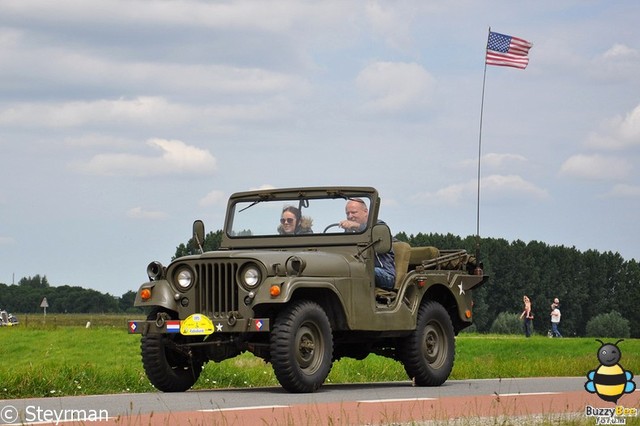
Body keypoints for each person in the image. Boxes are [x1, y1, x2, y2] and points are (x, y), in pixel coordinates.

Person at [339, 198, 395, 289]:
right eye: (347, 213)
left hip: (385, 273)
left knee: (357, 269)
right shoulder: (352, 231)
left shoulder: (378, 225)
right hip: (361, 268)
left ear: (365, 212)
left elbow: (373, 232)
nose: (350, 216)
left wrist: (355, 226)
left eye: (354, 212)